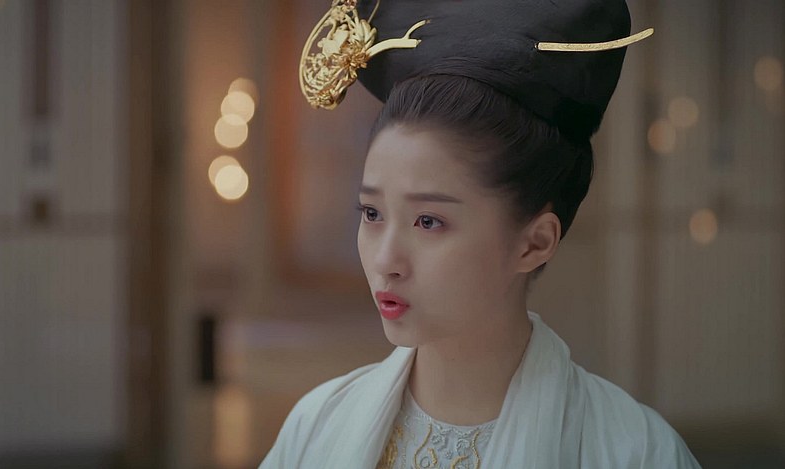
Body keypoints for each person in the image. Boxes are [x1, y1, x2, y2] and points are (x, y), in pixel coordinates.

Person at [261, 0, 701, 467]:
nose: (386, 259)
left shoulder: (636, 451)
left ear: (535, 243)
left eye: (428, 221)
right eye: (372, 213)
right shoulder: (318, 425)